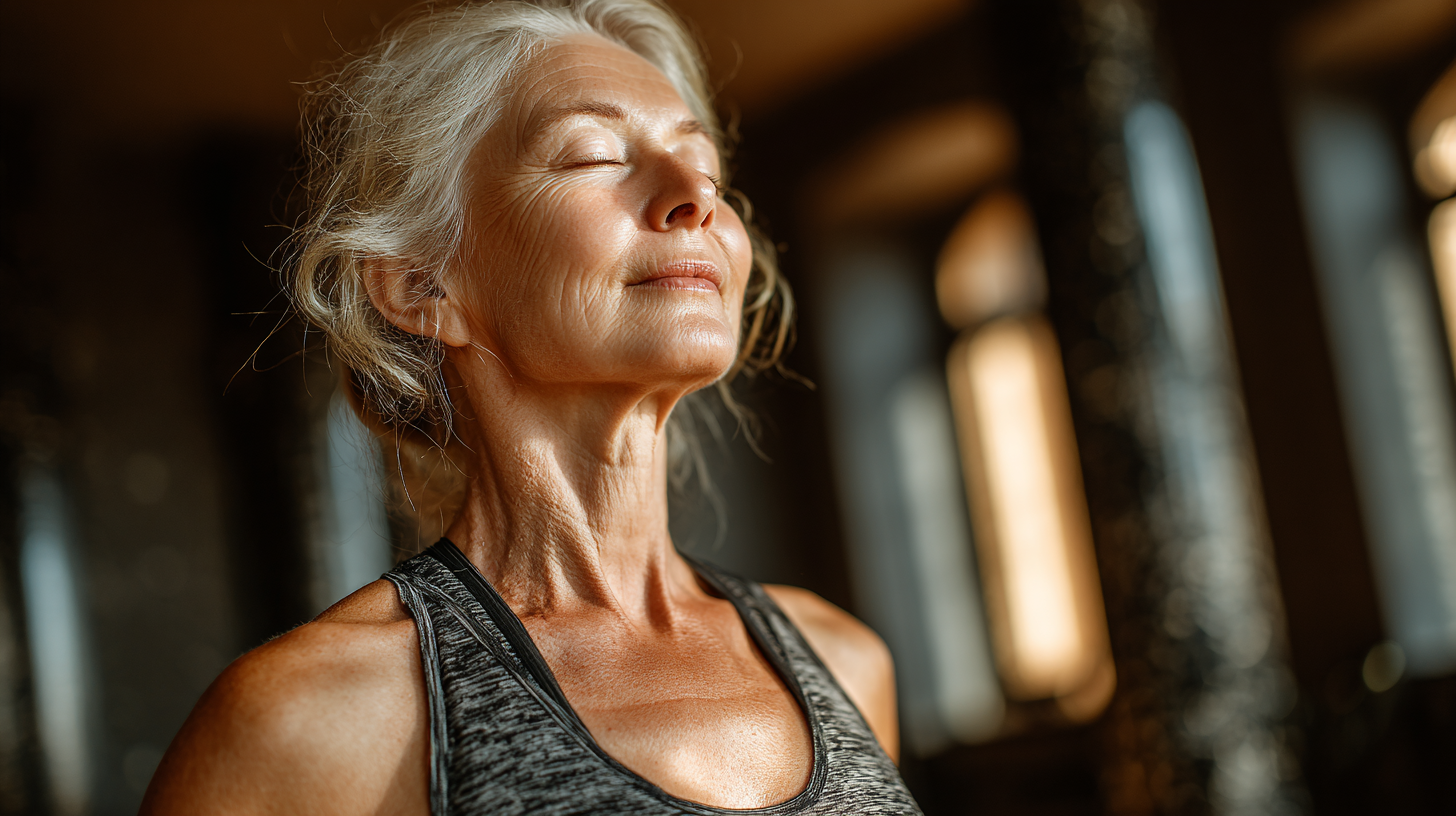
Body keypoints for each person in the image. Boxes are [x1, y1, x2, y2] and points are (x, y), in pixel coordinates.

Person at [142, 1, 920, 813]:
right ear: (423, 284)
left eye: (708, 170)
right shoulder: (307, 719)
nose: (695, 195)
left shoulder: (842, 660)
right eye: (593, 156)